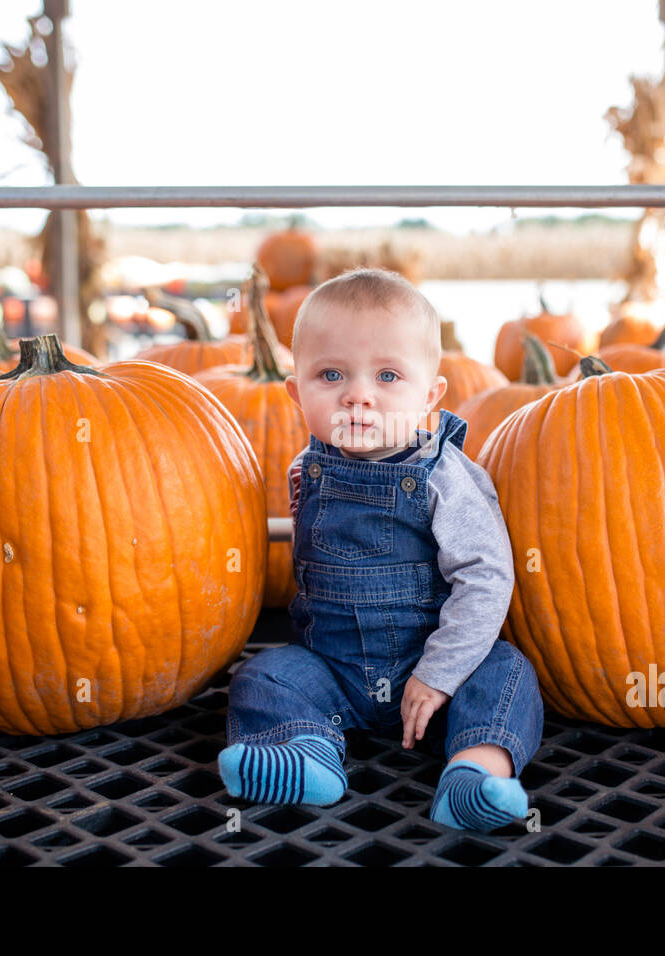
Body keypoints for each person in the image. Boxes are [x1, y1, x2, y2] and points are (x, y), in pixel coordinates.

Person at [219, 267, 544, 832]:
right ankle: (307, 753)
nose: (358, 396)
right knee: (264, 675)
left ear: (430, 397)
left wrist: (441, 673)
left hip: (436, 675)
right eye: (331, 374)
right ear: (296, 393)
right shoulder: (307, 470)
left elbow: (486, 578)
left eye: (388, 375)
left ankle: (476, 772)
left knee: (507, 672)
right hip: (333, 674)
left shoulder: (445, 478)